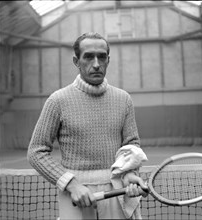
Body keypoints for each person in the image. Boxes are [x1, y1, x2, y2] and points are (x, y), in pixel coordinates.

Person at [27, 32, 148, 220]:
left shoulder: (123, 99)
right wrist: (72, 184)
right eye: (89, 57)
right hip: (75, 194)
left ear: (108, 60)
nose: (97, 63)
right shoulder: (58, 100)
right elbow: (36, 151)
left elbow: (131, 145)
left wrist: (130, 174)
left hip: (116, 191)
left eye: (102, 56)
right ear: (76, 61)